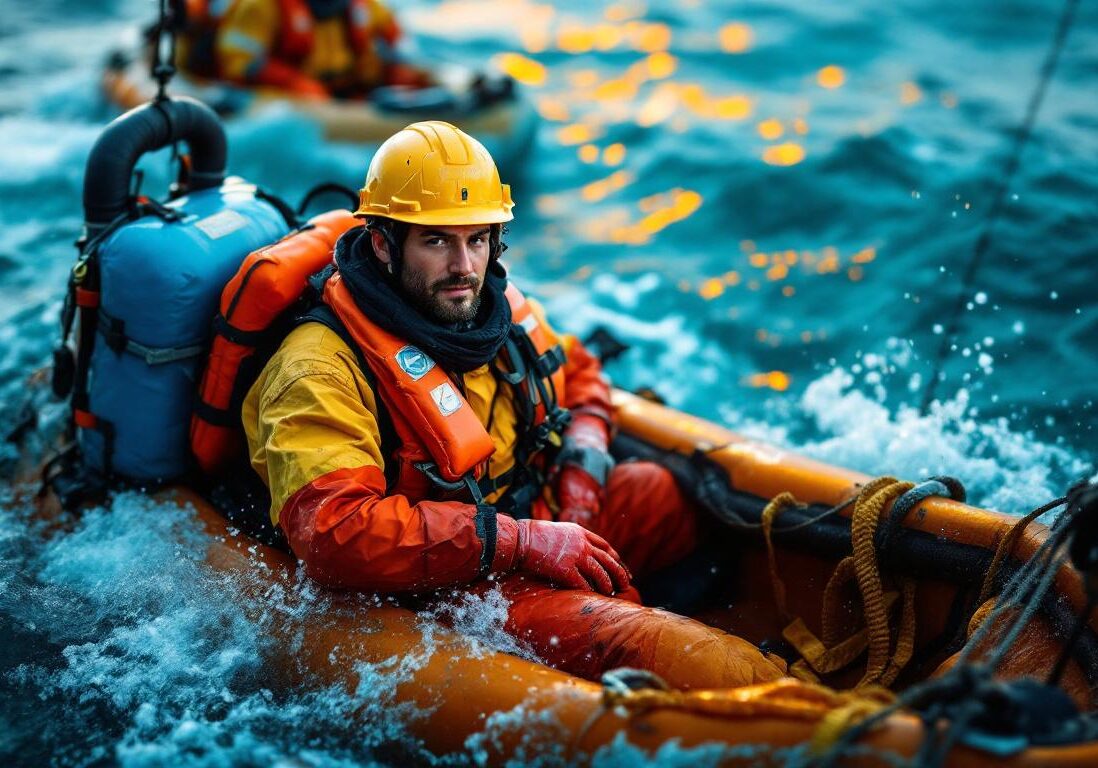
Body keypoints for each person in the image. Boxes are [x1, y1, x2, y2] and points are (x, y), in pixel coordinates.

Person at [241, 120, 786, 689]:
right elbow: (336, 533)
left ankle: (711, 630)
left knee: (663, 498)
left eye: (477, 239)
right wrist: (517, 541)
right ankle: (711, 679)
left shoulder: (488, 312)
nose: (464, 267)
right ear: (382, 244)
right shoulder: (318, 367)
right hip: (446, 587)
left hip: (525, 521)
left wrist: (582, 462)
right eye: (437, 241)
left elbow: (579, 373)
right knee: (654, 644)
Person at [183, 0, 427, 98]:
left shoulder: (363, 7)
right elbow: (238, 62)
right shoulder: (259, 7)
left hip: (345, 89)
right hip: (288, 96)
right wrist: (294, 82)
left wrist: (402, 68)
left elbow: (396, 39)